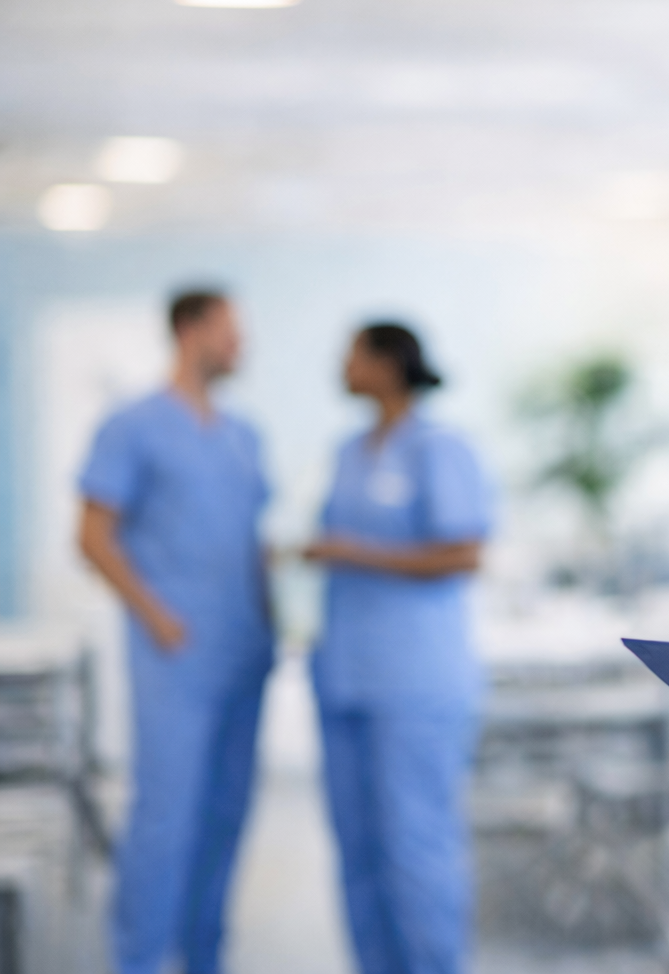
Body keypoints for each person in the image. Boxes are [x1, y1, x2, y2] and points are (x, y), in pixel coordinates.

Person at [78, 288, 273, 974]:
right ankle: (137, 958)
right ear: (190, 331)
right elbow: (94, 536)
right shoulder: (132, 425)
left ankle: (204, 957)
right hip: (176, 653)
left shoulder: (243, 435)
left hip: (246, 651)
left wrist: (276, 624)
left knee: (226, 816)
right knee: (165, 818)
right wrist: (158, 615)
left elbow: (252, 544)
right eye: (230, 330)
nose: (240, 345)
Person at [303, 323, 490, 974]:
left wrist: (352, 550)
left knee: (415, 844)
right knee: (357, 846)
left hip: (416, 680)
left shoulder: (438, 447)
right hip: (346, 675)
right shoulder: (350, 450)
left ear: (387, 362)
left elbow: (464, 552)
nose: (341, 365)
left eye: (351, 353)